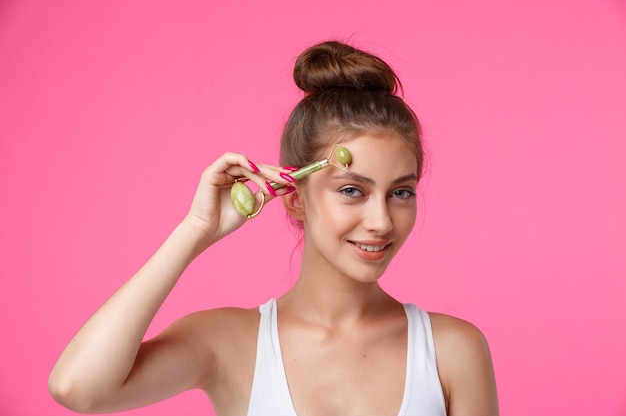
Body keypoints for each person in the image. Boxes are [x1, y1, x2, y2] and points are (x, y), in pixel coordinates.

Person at [49, 40, 499, 416]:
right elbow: (78, 387)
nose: (381, 221)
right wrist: (195, 231)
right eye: (351, 191)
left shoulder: (452, 351)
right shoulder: (227, 343)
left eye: (401, 192)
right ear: (296, 196)